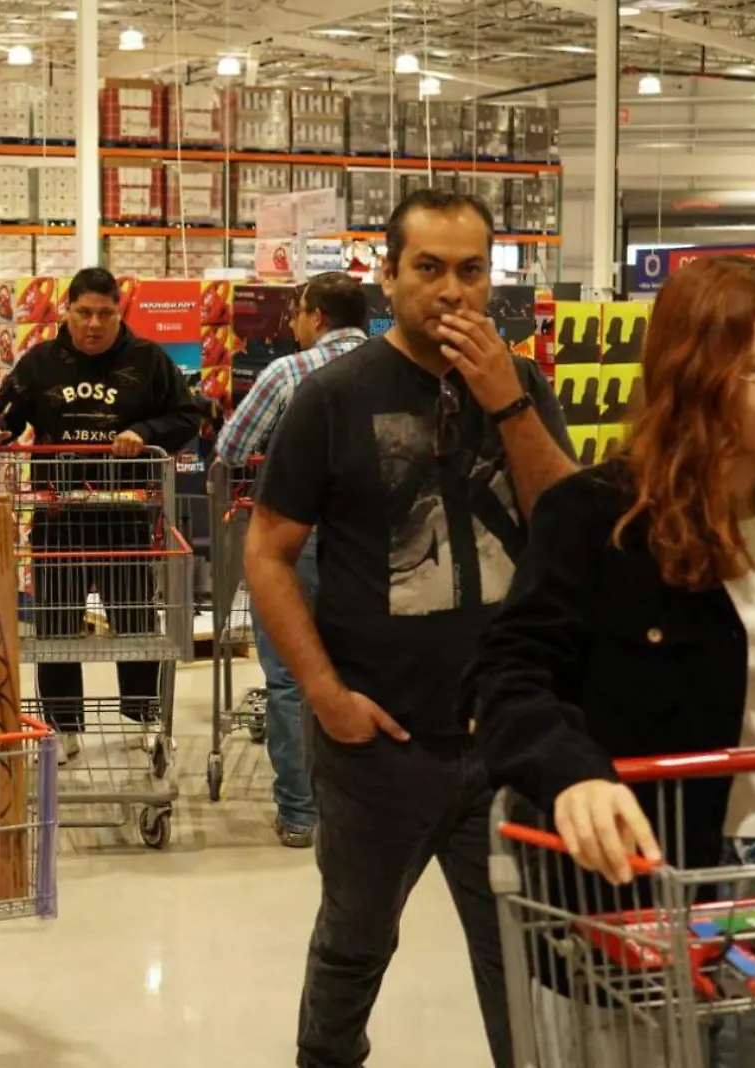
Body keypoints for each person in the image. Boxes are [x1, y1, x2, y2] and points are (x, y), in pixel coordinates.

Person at [466, 257, 755, 1067]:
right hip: (643, 893)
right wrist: (573, 771)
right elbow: (510, 674)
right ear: (698, 375)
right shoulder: (596, 519)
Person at [242, 189, 574, 1068]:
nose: (453, 291)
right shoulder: (333, 398)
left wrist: (507, 401)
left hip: (510, 741)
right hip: (378, 745)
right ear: (388, 275)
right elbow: (267, 554)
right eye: (429, 268)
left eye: (471, 270)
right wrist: (323, 694)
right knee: (354, 944)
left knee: (524, 958)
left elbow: (568, 529)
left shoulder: (524, 384)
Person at [0, 267, 204, 764]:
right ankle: (63, 727)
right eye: (84, 313)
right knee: (56, 626)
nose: (94, 324)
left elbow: (188, 416)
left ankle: (145, 718)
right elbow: (2, 416)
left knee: (136, 621)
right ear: (67, 312)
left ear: (119, 313)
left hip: (126, 518)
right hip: (58, 518)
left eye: (105, 313)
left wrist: (143, 432)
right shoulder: (40, 362)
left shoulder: (148, 361)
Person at [211, 271, 369, 849]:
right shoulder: (392, 369)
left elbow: (230, 448)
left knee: (290, 675)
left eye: (298, 313)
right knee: (364, 668)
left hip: (296, 542)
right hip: (376, 546)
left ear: (317, 317)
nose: (295, 325)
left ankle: (301, 813)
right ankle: (361, 806)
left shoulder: (288, 372)